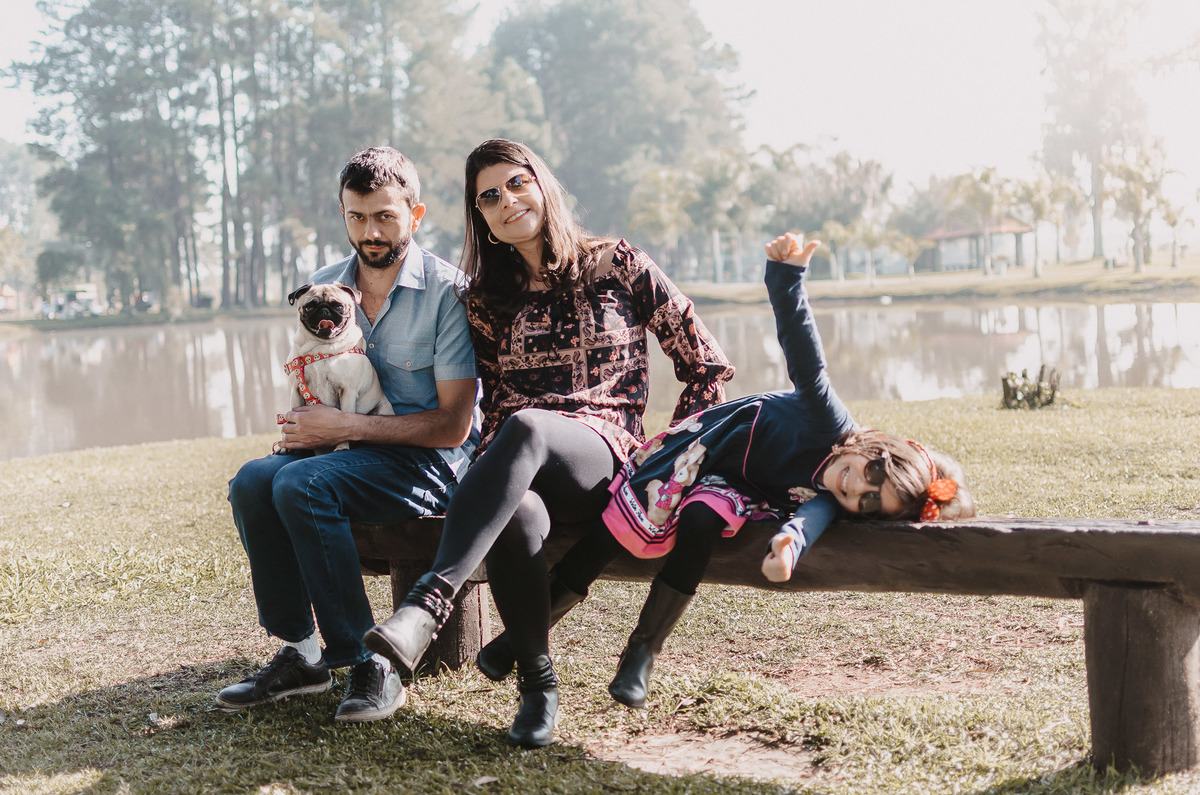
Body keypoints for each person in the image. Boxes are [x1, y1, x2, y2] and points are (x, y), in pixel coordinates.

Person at [363, 138, 734, 747]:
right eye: (489, 196)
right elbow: (480, 402)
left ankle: (427, 605)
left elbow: (706, 365)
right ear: (480, 217)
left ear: (542, 184)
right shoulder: (483, 301)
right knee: (519, 506)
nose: (506, 201)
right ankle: (538, 686)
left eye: (516, 183)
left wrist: (670, 466)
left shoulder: (617, 264)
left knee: (530, 425)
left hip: (606, 459)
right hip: (522, 465)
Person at [543, 232, 976, 709]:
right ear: (876, 448)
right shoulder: (829, 421)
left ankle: (641, 654)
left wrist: (788, 547)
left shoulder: (836, 498)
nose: (857, 489)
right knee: (618, 526)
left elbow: (809, 520)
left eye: (870, 503)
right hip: (701, 450)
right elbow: (806, 357)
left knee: (702, 520)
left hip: (734, 488)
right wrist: (787, 277)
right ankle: (531, 629)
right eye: (872, 474)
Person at [218, 147, 479, 723]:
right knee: (253, 481)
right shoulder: (324, 288)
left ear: (415, 215)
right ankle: (302, 653)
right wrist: (305, 427)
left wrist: (349, 426)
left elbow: (454, 426)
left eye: (385, 216)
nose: (371, 231)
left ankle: (370, 661)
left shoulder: (449, 292)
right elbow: (310, 377)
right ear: (343, 214)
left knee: (304, 485)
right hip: (340, 455)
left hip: (426, 462)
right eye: (357, 217)